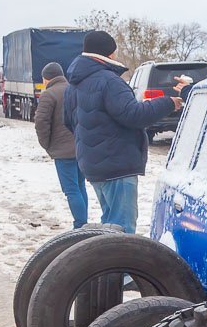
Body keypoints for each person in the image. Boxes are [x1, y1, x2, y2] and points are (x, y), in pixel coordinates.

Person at [64, 31, 182, 233]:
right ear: (109, 54)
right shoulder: (109, 81)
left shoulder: (74, 84)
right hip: (116, 165)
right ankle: (120, 265)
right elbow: (133, 115)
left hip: (93, 164)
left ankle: (106, 263)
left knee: (110, 225)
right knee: (123, 231)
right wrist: (167, 103)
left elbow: (68, 122)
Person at [34, 62, 87, 227]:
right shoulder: (76, 89)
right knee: (80, 186)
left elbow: (41, 123)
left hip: (63, 152)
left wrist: (47, 145)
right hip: (82, 147)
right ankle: (83, 222)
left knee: (71, 190)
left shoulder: (48, 95)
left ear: (46, 78)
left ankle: (80, 224)